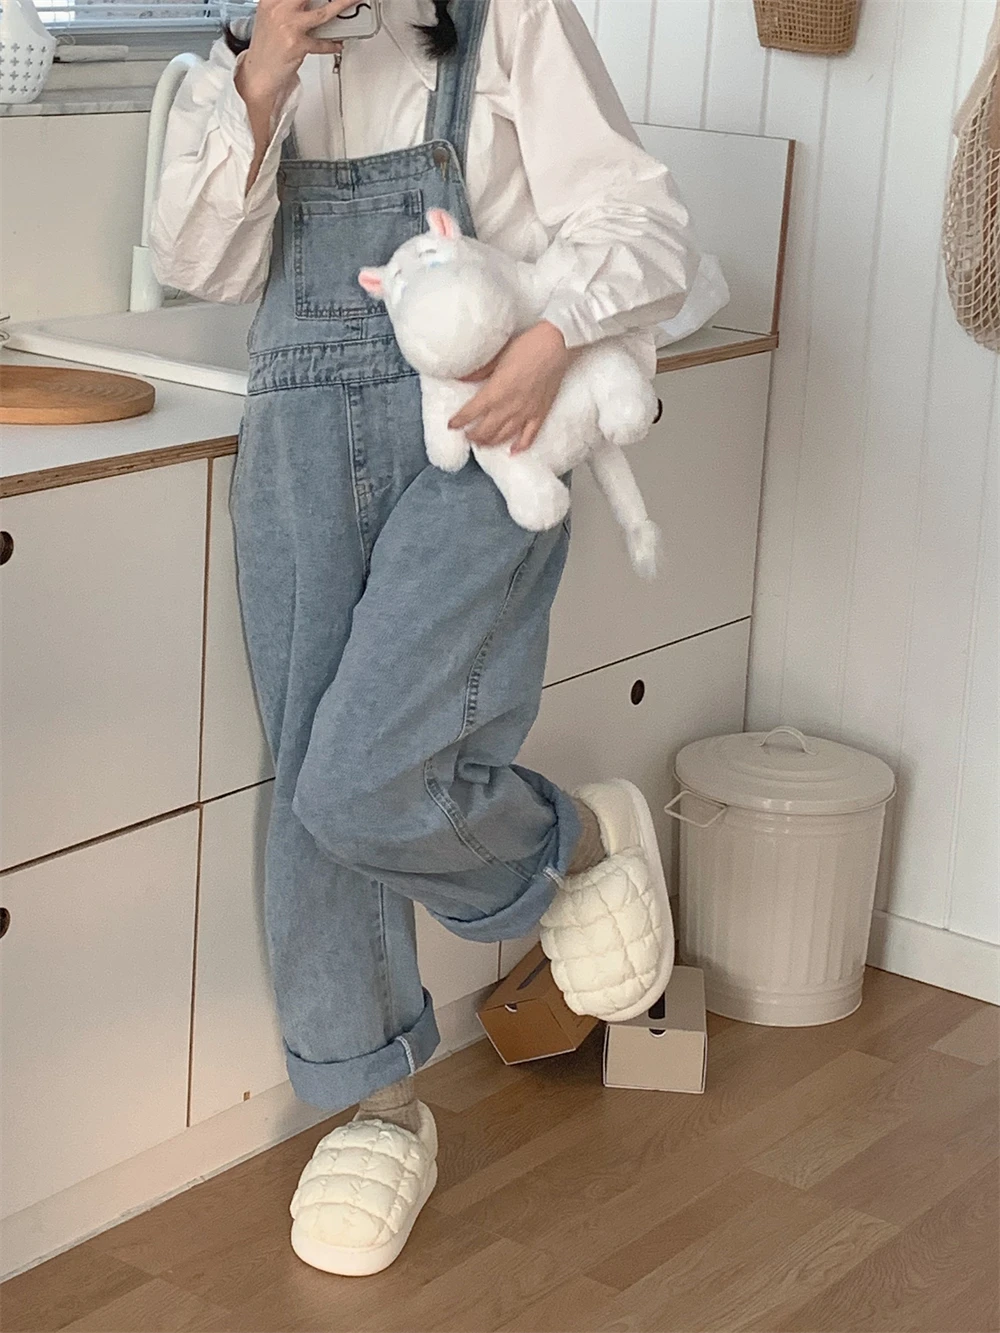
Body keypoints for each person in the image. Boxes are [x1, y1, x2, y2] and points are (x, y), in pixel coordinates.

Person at [151, 0, 701, 1277]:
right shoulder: (258, 49)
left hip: (483, 431)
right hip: (298, 437)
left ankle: (567, 846)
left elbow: (645, 223)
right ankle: (377, 1104)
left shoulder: (512, 18)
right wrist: (264, 71)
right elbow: (197, 264)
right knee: (312, 785)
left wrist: (553, 342)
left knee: (360, 774)